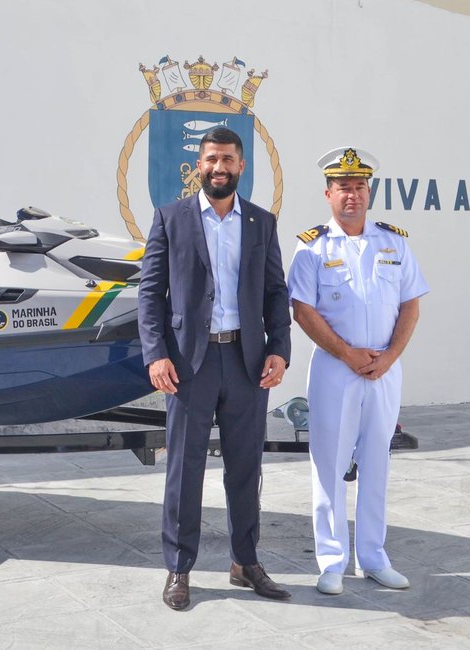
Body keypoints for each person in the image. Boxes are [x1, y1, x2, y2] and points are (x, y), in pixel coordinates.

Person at [138, 126, 292, 610]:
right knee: (185, 470)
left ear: (241, 166)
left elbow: (274, 292)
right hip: (189, 363)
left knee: (246, 469)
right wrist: (155, 353)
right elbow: (149, 294)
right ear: (198, 165)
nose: (219, 167)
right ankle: (179, 569)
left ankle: (245, 563)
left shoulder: (261, 223)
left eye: (227, 159)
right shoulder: (171, 219)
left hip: (247, 362)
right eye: (211, 159)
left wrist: (279, 349)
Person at [287, 147, 429, 595]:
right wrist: (348, 353)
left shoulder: (394, 243)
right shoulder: (312, 246)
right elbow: (302, 309)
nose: (352, 194)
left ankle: (374, 557)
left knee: (376, 464)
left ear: (369, 192)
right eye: (343, 187)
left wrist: (388, 358)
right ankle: (332, 562)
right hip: (335, 370)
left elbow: (411, 305)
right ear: (328, 193)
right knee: (328, 465)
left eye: (359, 186)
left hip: (385, 372)